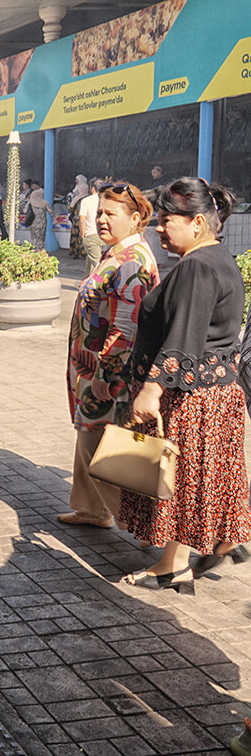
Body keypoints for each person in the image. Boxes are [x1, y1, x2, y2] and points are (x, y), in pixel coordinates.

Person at [121, 178, 249, 592]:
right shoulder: (218, 258)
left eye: (166, 220)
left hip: (194, 397)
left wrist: (151, 389)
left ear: (197, 222)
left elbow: (184, 337)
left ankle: (173, 566)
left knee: (180, 480)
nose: (158, 229)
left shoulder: (197, 266)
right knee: (212, 475)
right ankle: (227, 540)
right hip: (215, 392)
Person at [59, 182, 159, 530]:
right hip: (92, 370)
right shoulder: (117, 253)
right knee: (88, 433)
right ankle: (90, 508)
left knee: (99, 445)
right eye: (99, 212)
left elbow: (124, 326)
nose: (101, 219)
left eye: (110, 213)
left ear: (135, 219)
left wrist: (105, 374)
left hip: (106, 375)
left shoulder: (130, 261)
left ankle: (141, 525)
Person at [78, 180, 103, 274]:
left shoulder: (86, 201)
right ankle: (85, 283)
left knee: (96, 264)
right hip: (103, 234)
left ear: (92, 188)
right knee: (90, 262)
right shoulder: (106, 200)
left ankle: (95, 286)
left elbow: (82, 220)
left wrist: (83, 234)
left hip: (91, 234)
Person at [27, 180, 51, 251]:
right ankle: (40, 250)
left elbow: (25, 210)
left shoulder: (31, 203)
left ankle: (34, 249)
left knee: (34, 237)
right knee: (41, 237)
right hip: (42, 223)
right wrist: (54, 219)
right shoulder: (44, 203)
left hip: (33, 223)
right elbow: (51, 212)